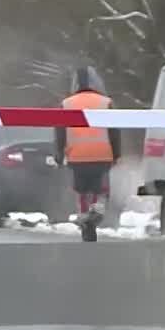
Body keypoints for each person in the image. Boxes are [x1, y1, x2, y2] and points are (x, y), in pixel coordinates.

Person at [55, 66, 122, 241]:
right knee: (101, 190)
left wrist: (59, 154)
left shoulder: (66, 104)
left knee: (81, 190)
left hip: (77, 157)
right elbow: (114, 131)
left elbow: (60, 133)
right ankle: (97, 209)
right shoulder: (106, 102)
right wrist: (116, 154)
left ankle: (84, 216)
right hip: (102, 156)